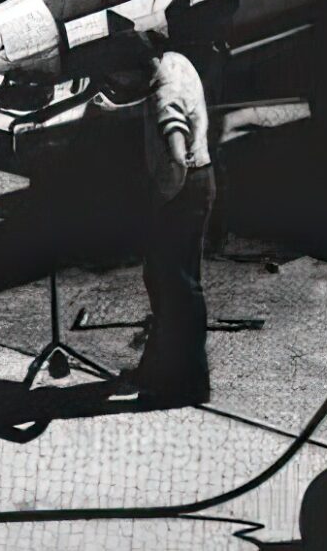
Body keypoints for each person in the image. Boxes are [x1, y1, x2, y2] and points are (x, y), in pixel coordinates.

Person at [118, 27, 216, 404]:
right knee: (168, 281)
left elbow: (176, 152)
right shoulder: (177, 62)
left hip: (182, 189)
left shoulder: (162, 95)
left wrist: (163, 198)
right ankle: (159, 369)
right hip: (202, 179)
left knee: (177, 288)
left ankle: (187, 383)